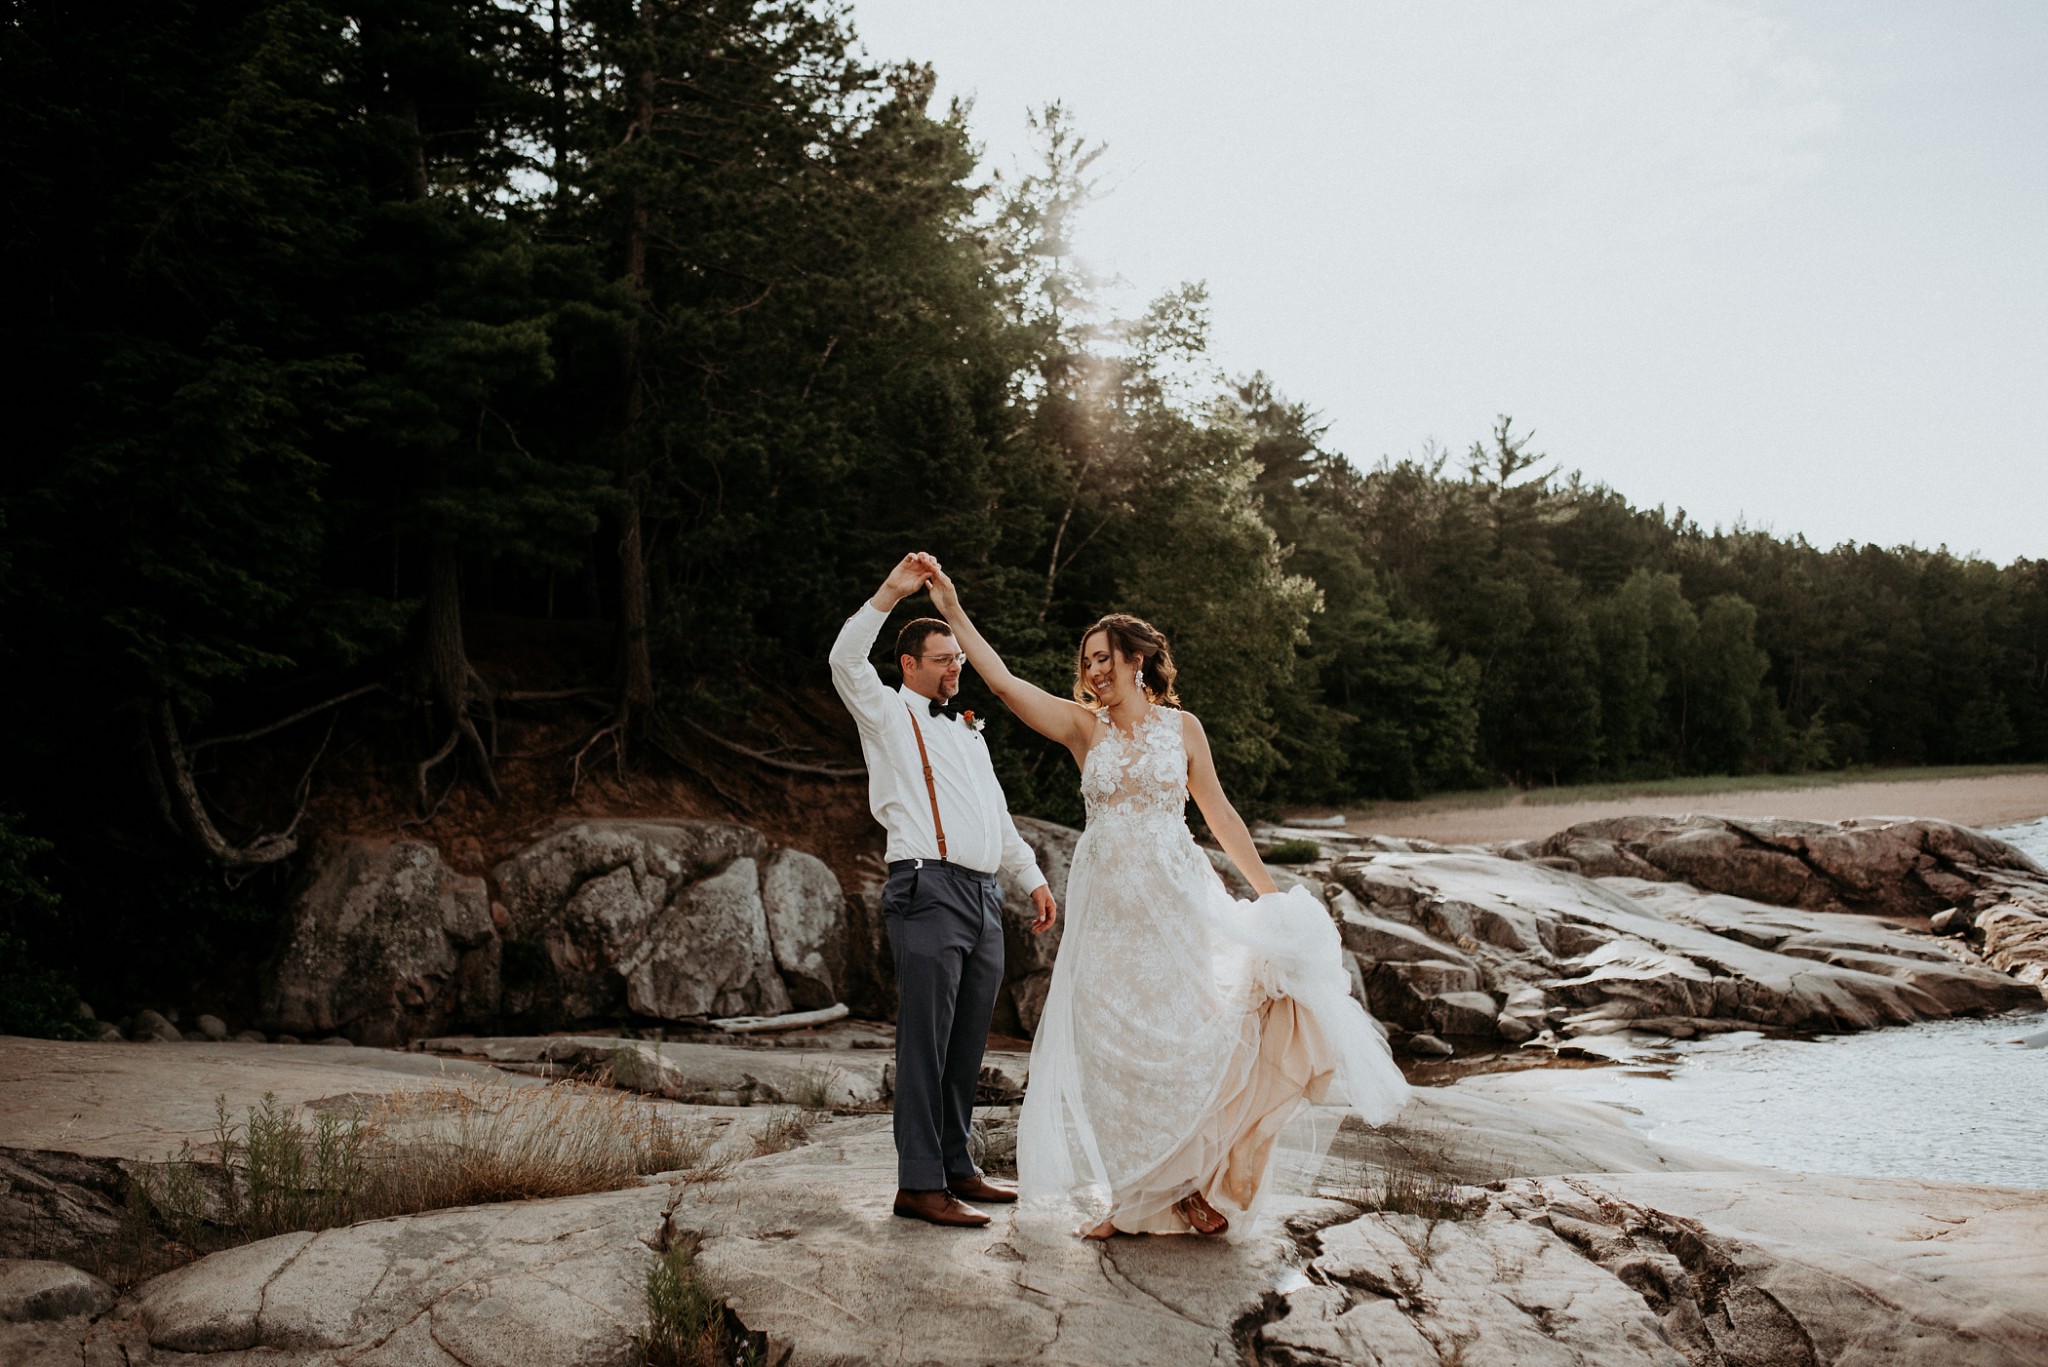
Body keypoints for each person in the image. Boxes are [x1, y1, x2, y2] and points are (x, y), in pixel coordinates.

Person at [924, 563, 1409, 1239]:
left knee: (1193, 1039)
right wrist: (951, 606)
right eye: (1086, 661)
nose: (1093, 671)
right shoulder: (1082, 729)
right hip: (1107, 918)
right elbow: (1003, 684)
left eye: (1103, 658)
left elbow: (1221, 816)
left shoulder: (1183, 729)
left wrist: (1271, 899)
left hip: (1176, 906)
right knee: (1110, 1055)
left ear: (1136, 659)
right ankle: (1131, 1198)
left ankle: (1195, 1186)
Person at [829, 553, 1059, 1229]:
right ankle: (918, 1183)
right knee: (924, 1041)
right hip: (926, 889)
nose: (955, 668)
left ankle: (958, 1167)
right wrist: (889, 592)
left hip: (985, 897)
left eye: (958, 657)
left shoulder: (967, 730)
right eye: (942, 660)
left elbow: (994, 813)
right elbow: (845, 661)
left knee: (966, 1043)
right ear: (909, 665)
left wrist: (1032, 877)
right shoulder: (885, 713)